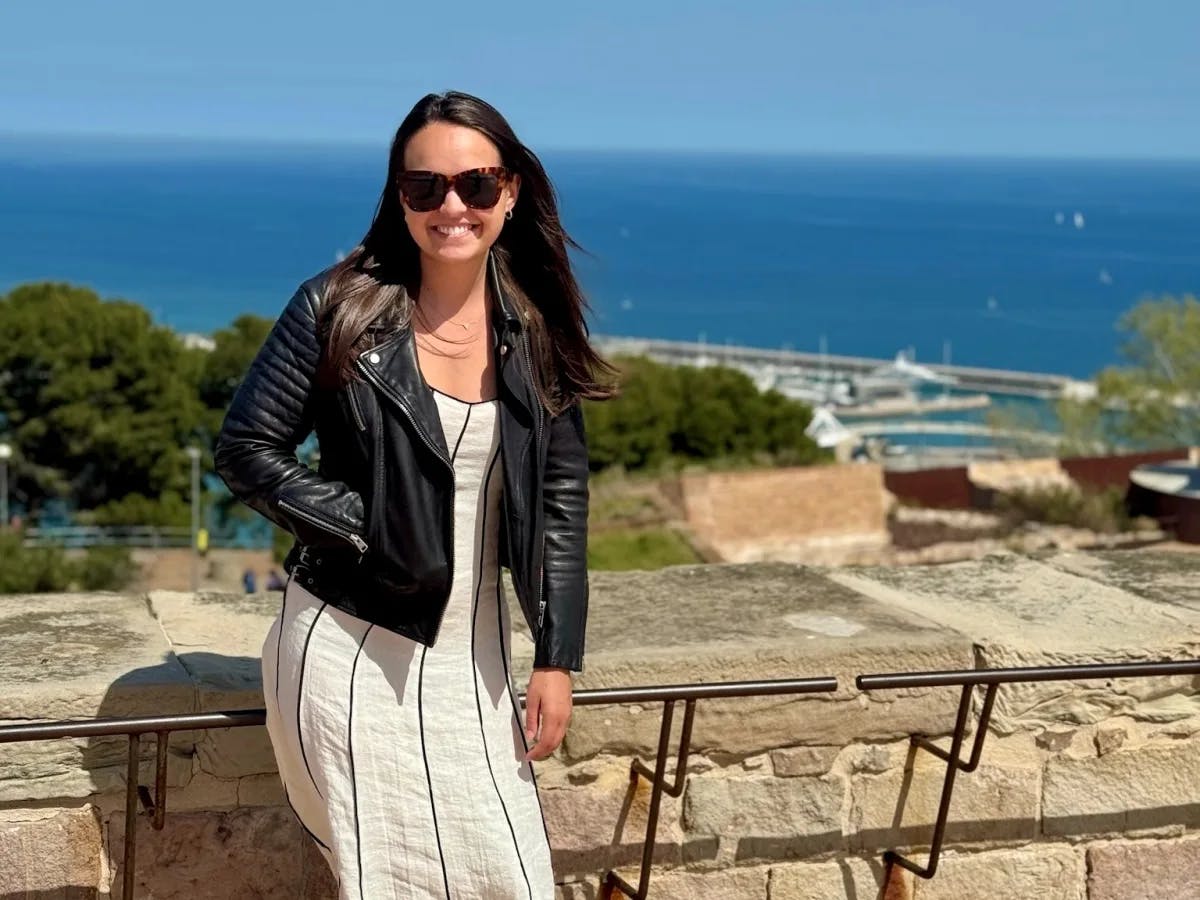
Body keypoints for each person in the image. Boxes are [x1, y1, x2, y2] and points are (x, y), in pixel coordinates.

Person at [214, 91, 614, 898]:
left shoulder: (536, 331)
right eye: (423, 187)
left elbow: (562, 502)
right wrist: (364, 527)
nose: (450, 206)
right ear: (399, 197)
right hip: (350, 645)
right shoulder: (339, 308)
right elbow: (245, 450)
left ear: (510, 192)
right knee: (387, 880)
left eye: (474, 184)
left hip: (479, 662)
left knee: (514, 878)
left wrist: (559, 656)